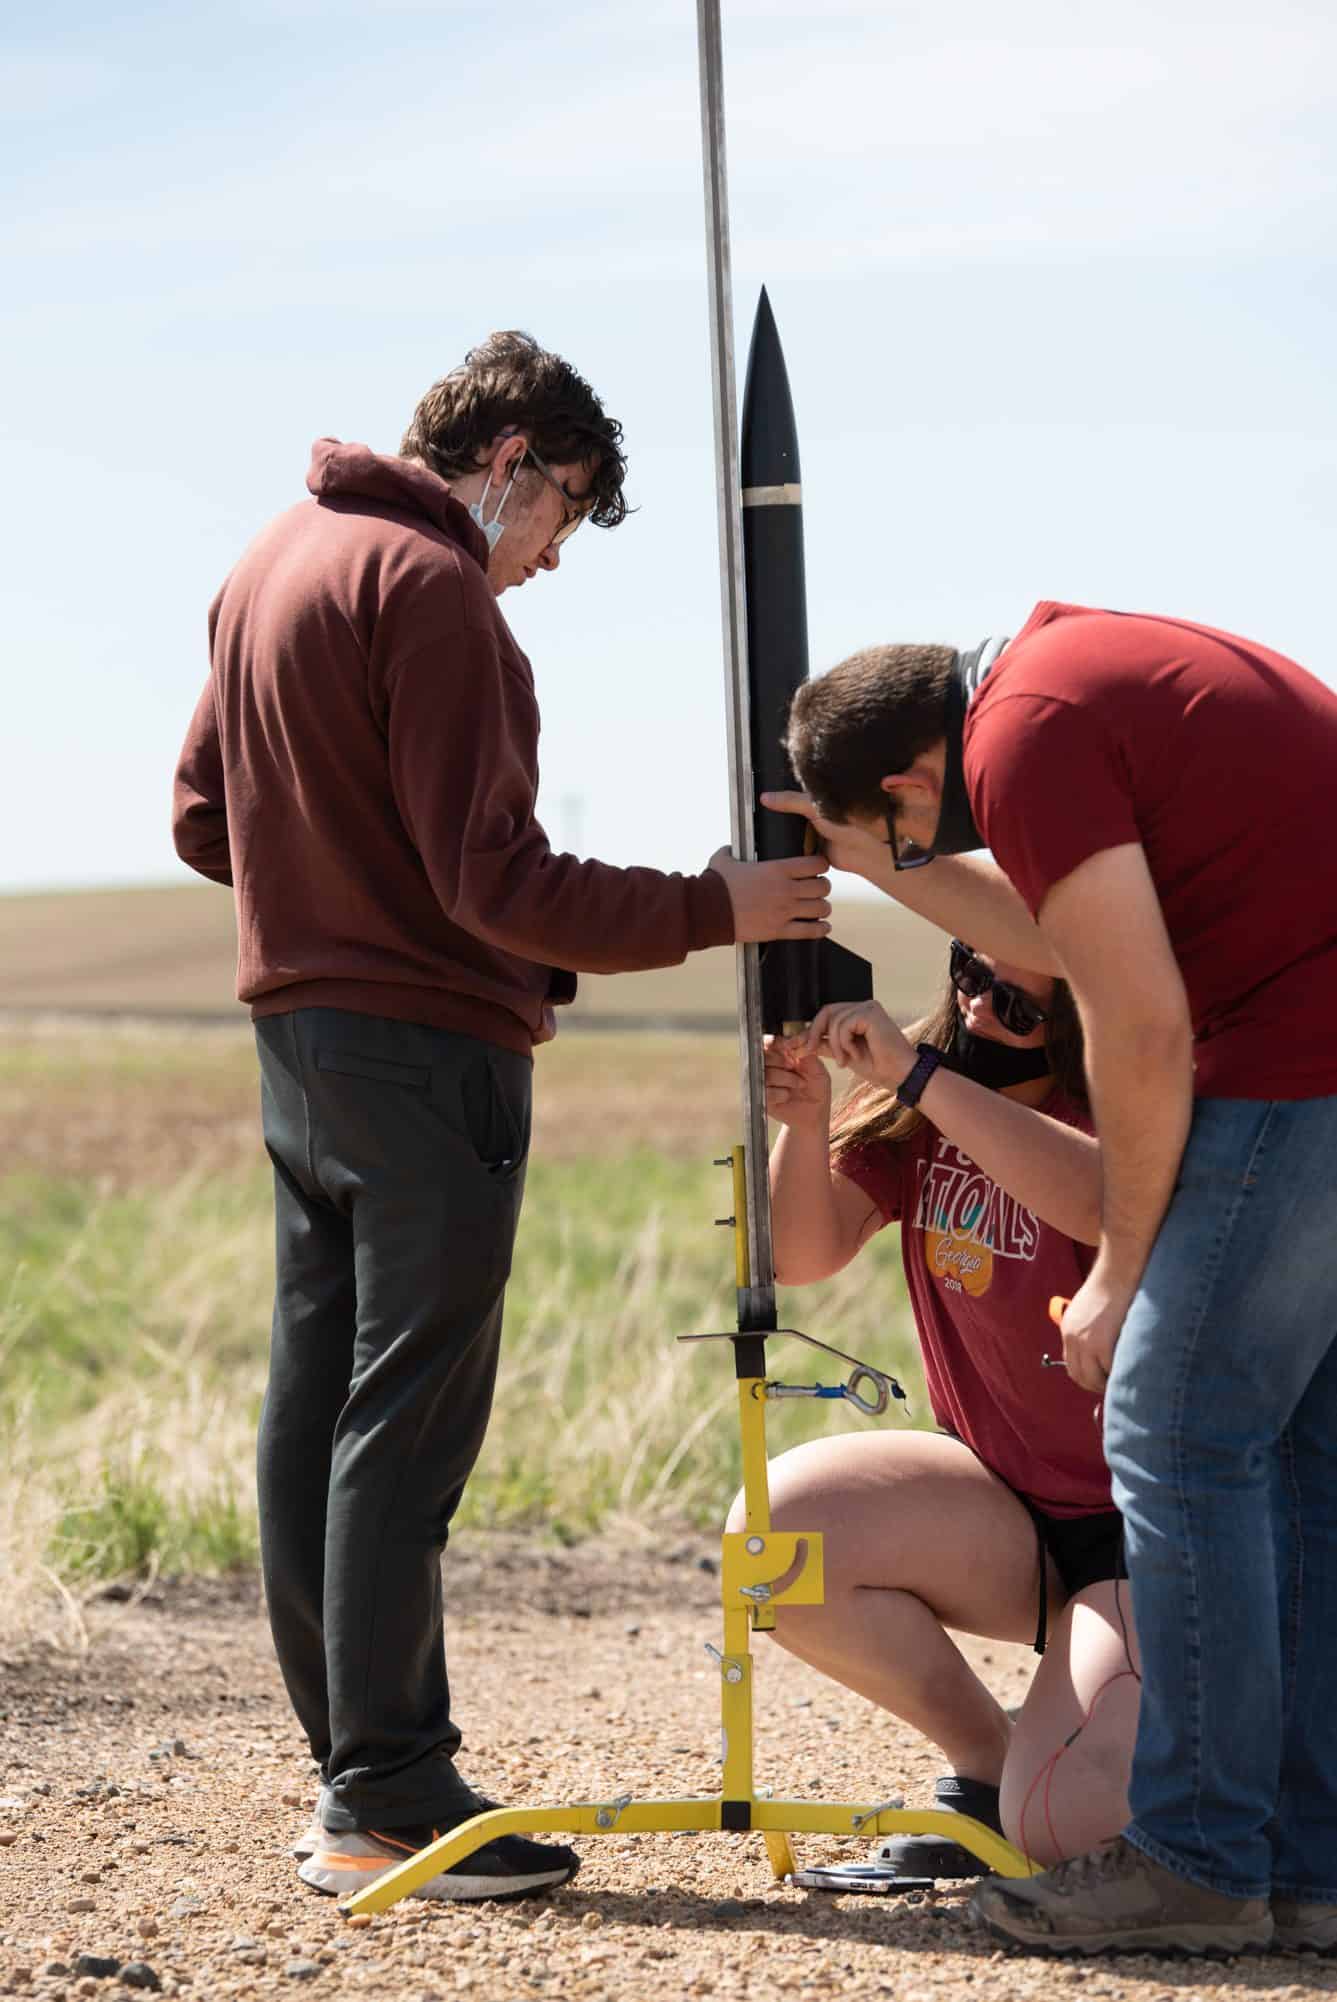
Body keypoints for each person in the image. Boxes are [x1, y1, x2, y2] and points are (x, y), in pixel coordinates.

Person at [171, 331, 831, 1904]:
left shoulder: (272, 560)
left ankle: (352, 1765)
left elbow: (204, 822)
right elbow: (500, 882)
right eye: (561, 515)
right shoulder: (434, 588)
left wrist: (340, 903)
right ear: (513, 459)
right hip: (427, 1058)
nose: (544, 562)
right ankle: (390, 1794)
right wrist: (718, 904)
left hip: (301, 1044)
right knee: (409, 1412)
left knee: (319, 1399)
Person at [767, 602, 1337, 1956]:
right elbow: (1041, 925)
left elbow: (1131, 1015)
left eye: (911, 831)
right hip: (1315, 1028)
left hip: (1297, 1043)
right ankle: (1307, 1865)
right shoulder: (1058, 686)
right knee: (1300, 1454)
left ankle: (1198, 1858)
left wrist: (1122, 1273)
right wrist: (871, 861)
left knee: (1176, 1422)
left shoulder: (1025, 732)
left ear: (915, 779)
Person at [731, 947, 1140, 1877]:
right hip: (1005, 1510)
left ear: (1081, 1019)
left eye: (1015, 1006)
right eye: (967, 972)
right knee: (777, 1540)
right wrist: (802, 1119)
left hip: (1148, 1534)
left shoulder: (1114, 1114)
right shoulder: (925, 1108)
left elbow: (1097, 1202)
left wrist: (920, 1073)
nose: (978, 1009)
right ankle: (988, 1770)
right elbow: (799, 1256)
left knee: (1070, 1830)